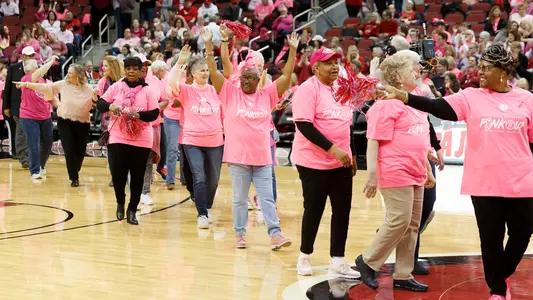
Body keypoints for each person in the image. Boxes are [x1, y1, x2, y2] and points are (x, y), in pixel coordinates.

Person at [379, 44, 533, 300]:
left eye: (486, 68)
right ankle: (497, 289)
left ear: (503, 72)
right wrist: (404, 97)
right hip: (484, 183)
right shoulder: (471, 96)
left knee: (523, 233)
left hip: (523, 181)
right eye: (480, 67)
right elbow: (436, 106)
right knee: (491, 238)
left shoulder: (527, 100)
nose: (479, 72)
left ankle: (502, 272)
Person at [201, 26, 295, 249]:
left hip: (262, 158)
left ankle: (275, 235)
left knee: (267, 199)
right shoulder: (230, 93)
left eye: (250, 78)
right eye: (243, 77)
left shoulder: (267, 94)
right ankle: (240, 235)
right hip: (238, 159)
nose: (244, 81)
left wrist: (292, 50)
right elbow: (214, 72)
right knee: (239, 199)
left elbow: (287, 75)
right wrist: (207, 45)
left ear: (259, 79)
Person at [355, 54, 435, 292]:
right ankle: (367, 261)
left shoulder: (416, 99)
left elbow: (420, 137)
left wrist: (427, 168)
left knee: (412, 224)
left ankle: (403, 273)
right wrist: (371, 175)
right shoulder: (386, 104)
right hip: (394, 169)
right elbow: (373, 141)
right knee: (399, 220)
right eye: (412, 71)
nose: (418, 73)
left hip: (417, 169)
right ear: (399, 78)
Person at [291, 47, 361, 279]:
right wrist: (333, 150)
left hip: (340, 161)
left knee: (342, 211)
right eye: (328, 62)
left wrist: (350, 154)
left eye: (336, 62)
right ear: (315, 67)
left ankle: (338, 260)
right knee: (315, 209)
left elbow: (346, 125)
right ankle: (304, 256)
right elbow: (304, 125)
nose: (334, 66)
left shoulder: (342, 89)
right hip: (312, 162)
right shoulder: (307, 89)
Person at [97, 57, 160, 225]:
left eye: (135, 68)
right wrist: (110, 106)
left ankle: (132, 209)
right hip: (118, 136)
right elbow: (100, 103)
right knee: (118, 175)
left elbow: (154, 113)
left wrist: (138, 115)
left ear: (141, 71)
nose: (131, 71)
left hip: (141, 139)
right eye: (128, 68)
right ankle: (120, 202)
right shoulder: (116, 87)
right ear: (124, 70)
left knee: (137, 177)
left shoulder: (148, 90)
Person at [168, 45, 224, 229]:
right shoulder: (186, 91)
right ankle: (202, 213)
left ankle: (206, 205)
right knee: (199, 176)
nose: (205, 73)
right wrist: (180, 61)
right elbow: (171, 84)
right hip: (192, 141)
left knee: (214, 179)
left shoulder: (216, 90)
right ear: (192, 73)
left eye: (207, 69)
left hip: (215, 141)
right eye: (201, 70)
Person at [15, 64, 96, 186]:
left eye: (70, 73)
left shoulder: (88, 89)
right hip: (64, 120)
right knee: (68, 149)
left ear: (78, 75)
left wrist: (95, 99)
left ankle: (75, 169)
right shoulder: (63, 84)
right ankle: (74, 177)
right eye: (68, 72)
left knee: (80, 150)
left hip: (82, 122)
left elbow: (94, 104)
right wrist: (27, 84)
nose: (68, 75)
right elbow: (45, 87)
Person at [17, 57, 57, 179]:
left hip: (45, 116)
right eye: (36, 66)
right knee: (33, 143)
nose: (38, 68)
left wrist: (61, 108)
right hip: (29, 117)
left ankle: (41, 165)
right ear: (29, 69)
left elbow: (51, 98)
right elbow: (39, 73)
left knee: (48, 142)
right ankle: (34, 171)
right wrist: (51, 62)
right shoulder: (26, 79)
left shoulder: (43, 81)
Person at [3, 46, 34, 169]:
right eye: (29, 55)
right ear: (23, 56)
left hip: (33, 106)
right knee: (21, 132)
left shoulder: (37, 69)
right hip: (17, 106)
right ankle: (23, 157)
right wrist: (6, 106)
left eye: (32, 55)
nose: (31, 57)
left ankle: (31, 156)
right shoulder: (13, 68)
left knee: (30, 132)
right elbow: (7, 88)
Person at [97, 56, 125, 187]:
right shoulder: (103, 82)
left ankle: (125, 175)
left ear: (113, 67)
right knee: (112, 151)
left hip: (123, 119)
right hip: (107, 120)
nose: (103, 68)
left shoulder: (123, 81)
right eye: (103, 65)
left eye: (106, 66)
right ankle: (115, 177)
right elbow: (98, 100)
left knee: (123, 150)